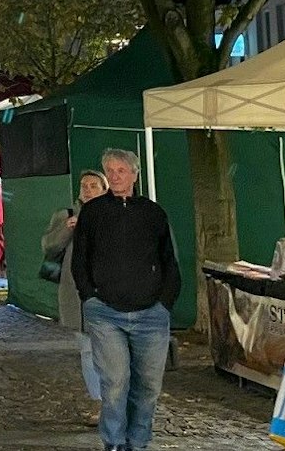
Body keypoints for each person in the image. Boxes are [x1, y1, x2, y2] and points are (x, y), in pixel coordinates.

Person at [72, 148, 180, 451]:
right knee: (115, 382)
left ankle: (139, 441)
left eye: (121, 170)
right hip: (106, 312)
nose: (116, 176)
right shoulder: (93, 213)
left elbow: (170, 260)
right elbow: (79, 259)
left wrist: (165, 302)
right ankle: (115, 442)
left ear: (134, 174)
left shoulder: (153, 212)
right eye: (111, 170)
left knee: (147, 387)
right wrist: (89, 297)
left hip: (151, 313)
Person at [43, 169, 109, 426]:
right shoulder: (66, 215)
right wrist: (66, 229)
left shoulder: (113, 215)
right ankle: (100, 402)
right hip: (77, 296)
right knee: (87, 349)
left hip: (109, 294)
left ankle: (118, 401)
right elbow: (48, 246)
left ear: (104, 189)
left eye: (94, 185)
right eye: (84, 185)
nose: (88, 189)